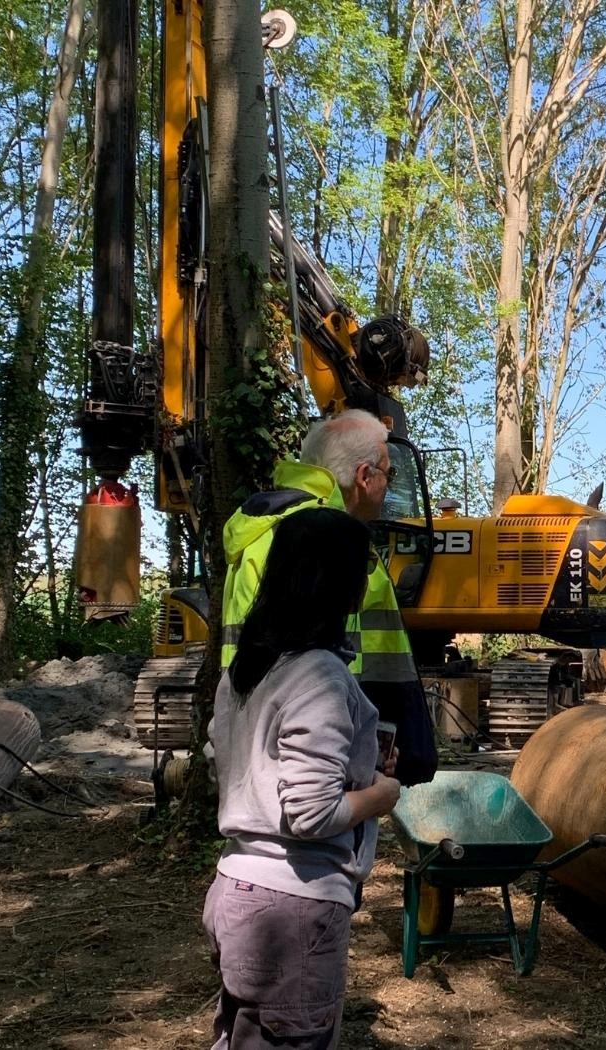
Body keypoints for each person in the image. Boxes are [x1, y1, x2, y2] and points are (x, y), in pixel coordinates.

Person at [203, 506, 401, 1049]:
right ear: (341, 583)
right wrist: (380, 794)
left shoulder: (246, 669)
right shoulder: (319, 674)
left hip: (236, 891)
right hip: (291, 910)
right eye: (362, 570)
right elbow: (310, 814)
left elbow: (238, 762)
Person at [220, 409, 437, 785]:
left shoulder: (271, 531)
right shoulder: (322, 542)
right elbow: (321, 661)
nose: (389, 486)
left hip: (268, 739)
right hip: (326, 748)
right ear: (364, 476)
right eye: (389, 474)